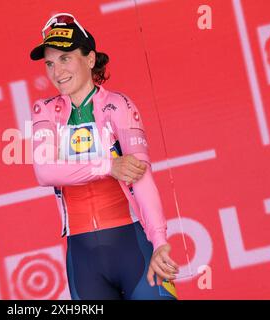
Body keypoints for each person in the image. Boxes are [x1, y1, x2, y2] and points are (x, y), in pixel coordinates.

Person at [29, 13, 179, 300]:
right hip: (83, 259)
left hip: (132, 247)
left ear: (89, 59)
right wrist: (109, 165)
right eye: (50, 63)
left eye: (65, 58)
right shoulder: (43, 110)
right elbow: (44, 172)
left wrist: (159, 241)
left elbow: (141, 176)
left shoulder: (119, 104)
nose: (56, 71)